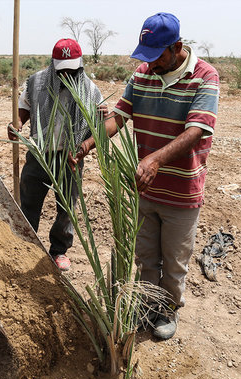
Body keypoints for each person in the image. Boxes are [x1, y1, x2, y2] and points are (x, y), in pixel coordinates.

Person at [71, 13, 220, 339]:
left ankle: (168, 309)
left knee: (175, 260)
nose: (149, 64)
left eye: (156, 57)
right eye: (146, 58)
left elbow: (197, 130)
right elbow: (118, 118)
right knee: (146, 256)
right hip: (145, 188)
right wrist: (87, 144)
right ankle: (149, 306)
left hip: (182, 192)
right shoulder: (142, 75)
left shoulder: (205, 77)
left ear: (176, 46)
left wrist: (154, 159)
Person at [7, 39, 105, 272]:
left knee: (66, 207)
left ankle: (58, 250)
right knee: (28, 202)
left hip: (71, 158)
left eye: (73, 70)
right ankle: (25, 246)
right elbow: (24, 109)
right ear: (53, 65)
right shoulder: (36, 82)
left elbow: (101, 123)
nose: (68, 75)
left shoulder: (90, 90)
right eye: (63, 70)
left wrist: (101, 118)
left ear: (80, 65)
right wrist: (17, 124)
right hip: (40, 154)